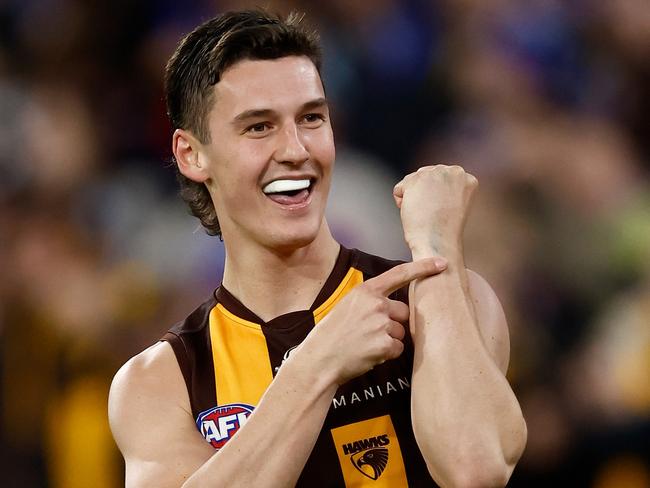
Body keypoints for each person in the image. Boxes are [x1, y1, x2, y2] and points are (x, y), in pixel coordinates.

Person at [108, 9, 527, 487]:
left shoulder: (444, 298)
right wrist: (318, 363)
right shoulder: (161, 381)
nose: (295, 149)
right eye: (258, 127)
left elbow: (476, 470)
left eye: (310, 118)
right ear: (192, 154)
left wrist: (436, 247)